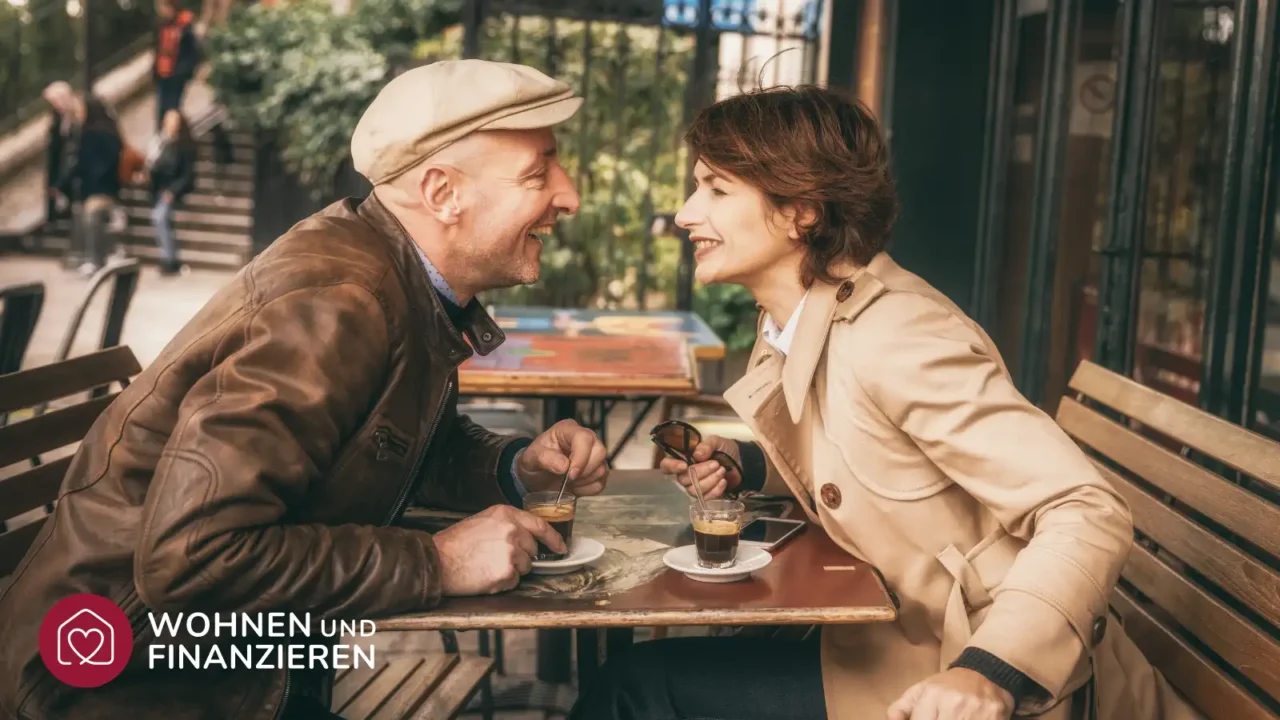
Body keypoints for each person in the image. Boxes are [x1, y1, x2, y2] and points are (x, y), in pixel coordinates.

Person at [570, 87, 1201, 720]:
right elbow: (875, 454)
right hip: (889, 638)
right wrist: (750, 464)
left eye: (716, 189)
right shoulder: (801, 318)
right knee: (653, 671)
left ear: (802, 212)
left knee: (636, 686)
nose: (684, 213)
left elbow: (1086, 508)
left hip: (968, 674)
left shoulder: (897, 335)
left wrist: (989, 673)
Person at [0, 59, 605, 720]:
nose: (569, 195)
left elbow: (379, 444)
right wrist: (435, 563)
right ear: (442, 193)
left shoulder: (393, 276)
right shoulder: (342, 301)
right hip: (115, 683)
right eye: (538, 172)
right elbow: (192, 555)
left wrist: (513, 468)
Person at [71, 97, 124, 275]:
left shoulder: (94, 133)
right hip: (99, 186)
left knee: (93, 219)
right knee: (91, 220)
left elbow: (105, 161)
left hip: (99, 186)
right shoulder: (101, 131)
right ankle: (100, 255)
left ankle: (96, 258)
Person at [145, 109, 198, 275]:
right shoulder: (160, 142)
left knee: (159, 218)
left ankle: (169, 259)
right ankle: (169, 257)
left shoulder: (184, 146)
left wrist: (173, 191)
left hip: (172, 191)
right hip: (159, 189)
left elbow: (187, 174)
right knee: (161, 221)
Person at [153, 0, 200, 128]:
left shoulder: (184, 25)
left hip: (176, 75)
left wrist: (182, 72)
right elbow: (158, 50)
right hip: (163, 75)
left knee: (172, 107)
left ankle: (172, 136)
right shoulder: (161, 25)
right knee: (162, 109)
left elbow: (192, 53)